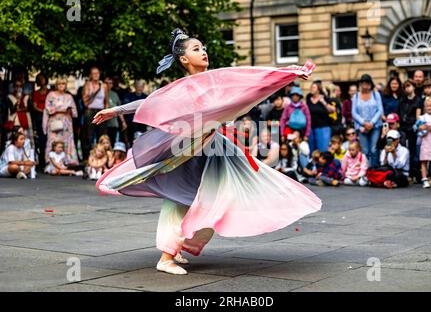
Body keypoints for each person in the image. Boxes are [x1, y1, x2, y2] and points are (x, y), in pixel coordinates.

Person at [91, 28, 321, 275]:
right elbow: (150, 102)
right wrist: (115, 111)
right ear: (184, 60)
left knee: (218, 198)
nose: (204, 52)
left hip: (213, 148)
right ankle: (166, 256)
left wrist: (288, 74)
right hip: (186, 149)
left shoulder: (217, 81)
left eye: (203, 47)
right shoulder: (183, 87)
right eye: (196, 49)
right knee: (180, 199)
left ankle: (178, 246)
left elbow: (253, 83)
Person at [43, 78, 79, 167]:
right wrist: (60, 109)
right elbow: (47, 108)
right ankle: (50, 161)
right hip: (54, 120)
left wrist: (69, 110)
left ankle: (67, 162)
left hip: (66, 122)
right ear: (56, 85)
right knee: (53, 140)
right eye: (59, 84)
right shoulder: (51, 95)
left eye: (63, 84)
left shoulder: (69, 96)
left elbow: (75, 112)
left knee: (67, 141)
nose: (61, 86)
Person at [351, 74, 384, 168]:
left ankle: (374, 171)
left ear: (370, 84)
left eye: (367, 82)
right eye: (363, 82)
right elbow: (354, 112)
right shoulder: (356, 96)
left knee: (373, 149)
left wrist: (371, 123)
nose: (365, 84)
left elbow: (380, 110)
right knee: (365, 151)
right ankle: (365, 172)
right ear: (361, 84)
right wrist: (363, 123)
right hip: (362, 127)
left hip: (375, 125)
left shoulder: (376, 94)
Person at [81, 67, 109, 161]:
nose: (96, 75)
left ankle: (102, 158)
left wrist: (107, 112)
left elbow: (106, 101)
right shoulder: (87, 85)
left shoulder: (104, 85)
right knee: (88, 135)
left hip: (101, 110)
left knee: (102, 135)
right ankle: (88, 159)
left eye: (97, 73)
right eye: (94, 73)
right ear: (91, 75)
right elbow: (85, 102)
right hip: (90, 111)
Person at [399, 80, 421, 181]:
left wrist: (416, 125)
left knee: (412, 151)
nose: (407, 88)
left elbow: (418, 116)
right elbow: (399, 113)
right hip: (403, 127)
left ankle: (412, 173)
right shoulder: (402, 100)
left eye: (409, 86)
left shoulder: (418, 100)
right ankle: (404, 172)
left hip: (412, 128)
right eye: (405, 87)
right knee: (403, 149)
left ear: (413, 87)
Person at [306, 81, 335, 152]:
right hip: (311, 128)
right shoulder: (308, 99)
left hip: (323, 128)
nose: (311, 89)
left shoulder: (324, 98)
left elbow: (332, 110)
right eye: (311, 87)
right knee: (312, 151)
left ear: (318, 89)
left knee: (322, 151)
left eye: (313, 87)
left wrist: (323, 102)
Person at [6, 80, 34, 145]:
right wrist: (18, 101)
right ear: (13, 87)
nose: (18, 88)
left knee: (26, 140)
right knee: (14, 140)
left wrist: (19, 109)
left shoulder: (27, 97)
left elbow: (30, 109)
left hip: (25, 121)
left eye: (20, 86)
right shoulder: (9, 97)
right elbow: (12, 109)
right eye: (16, 86)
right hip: (15, 121)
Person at [32, 73, 49, 170]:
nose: (41, 80)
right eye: (39, 79)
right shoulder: (36, 93)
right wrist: (44, 111)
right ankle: (42, 160)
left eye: (42, 78)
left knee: (48, 139)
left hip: (49, 117)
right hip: (40, 117)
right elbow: (34, 106)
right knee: (41, 139)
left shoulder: (50, 92)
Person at [122, 80, 148, 146]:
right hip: (131, 122)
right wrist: (123, 122)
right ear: (135, 87)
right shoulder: (128, 96)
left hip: (142, 123)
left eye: (141, 86)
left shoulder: (146, 97)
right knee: (132, 141)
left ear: (143, 87)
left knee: (142, 141)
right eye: (138, 86)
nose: (140, 88)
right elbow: (124, 109)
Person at [104, 77, 127, 147]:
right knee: (103, 141)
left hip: (113, 123)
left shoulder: (115, 94)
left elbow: (119, 108)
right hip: (103, 123)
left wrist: (123, 122)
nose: (109, 85)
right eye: (106, 83)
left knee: (113, 141)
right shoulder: (101, 94)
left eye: (110, 83)